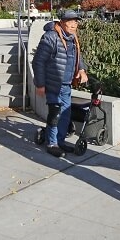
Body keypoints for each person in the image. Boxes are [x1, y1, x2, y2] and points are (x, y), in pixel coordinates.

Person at [32, 9, 88, 158]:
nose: (74, 24)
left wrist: (81, 69)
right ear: (62, 23)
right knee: (55, 114)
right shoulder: (50, 37)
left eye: (75, 21)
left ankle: (60, 141)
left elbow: (77, 57)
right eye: (70, 21)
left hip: (66, 84)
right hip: (52, 83)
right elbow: (38, 62)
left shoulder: (72, 38)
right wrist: (40, 84)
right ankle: (52, 144)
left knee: (65, 114)